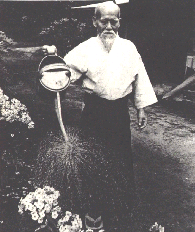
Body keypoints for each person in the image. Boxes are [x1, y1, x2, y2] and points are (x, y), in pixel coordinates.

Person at [43, 1, 157, 230]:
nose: (108, 26)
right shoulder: (85, 48)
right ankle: (93, 212)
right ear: (94, 22)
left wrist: (140, 107)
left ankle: (118, 209)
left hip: (119, 115)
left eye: (113, 21)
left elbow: (139, 78)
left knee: (120, 160)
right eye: (103, 21)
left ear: (119, 22)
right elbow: (63, 72)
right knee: (92, 161)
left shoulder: (129, 48)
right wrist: (51, 62)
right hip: (94, 114)